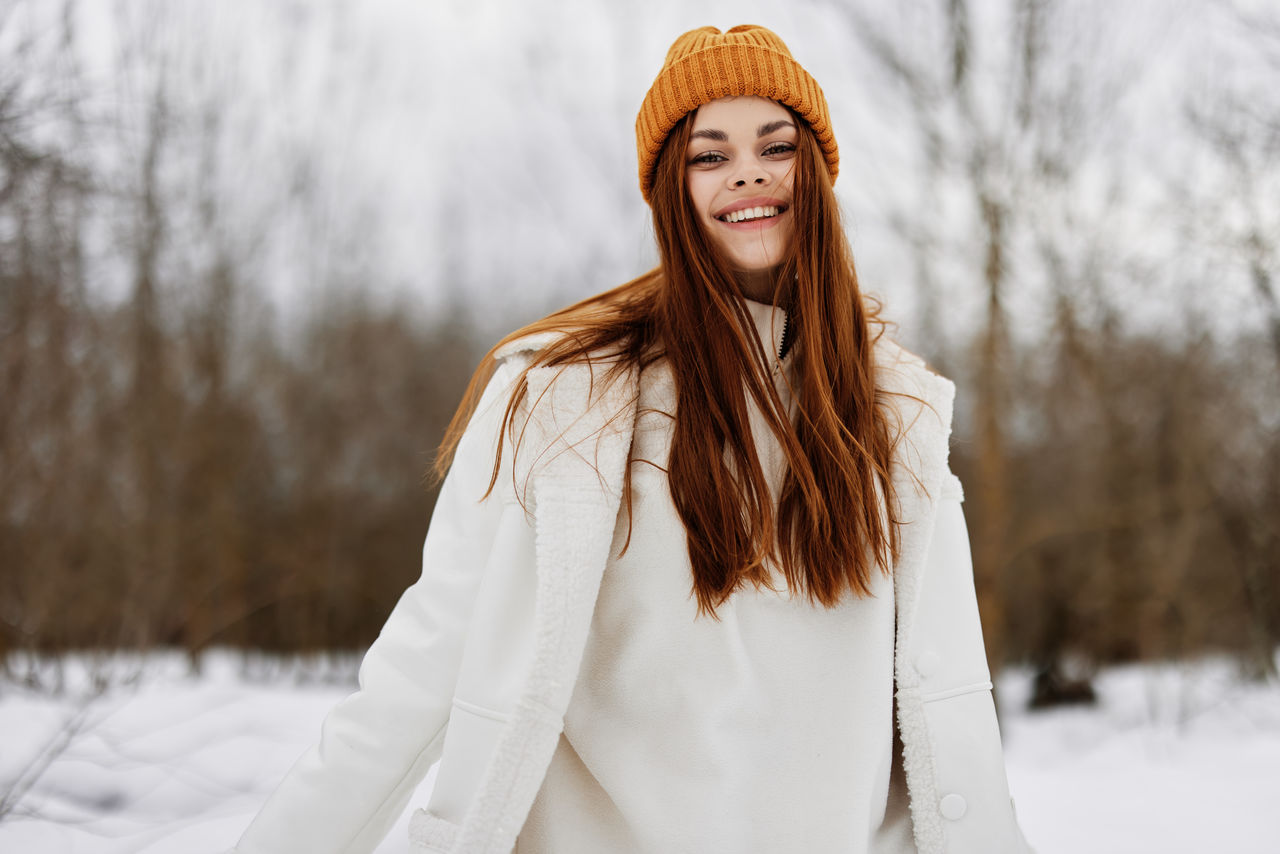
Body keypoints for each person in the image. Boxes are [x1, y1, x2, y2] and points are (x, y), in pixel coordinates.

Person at [232, 24, 1031, 854]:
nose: (748, 172)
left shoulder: (899, 417)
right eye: (709, 155)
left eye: (775, 146)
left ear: (818, 174)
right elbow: (417, 677)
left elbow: (952, 722)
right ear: (669, 194)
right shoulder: (562, 402)